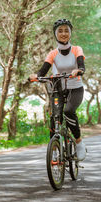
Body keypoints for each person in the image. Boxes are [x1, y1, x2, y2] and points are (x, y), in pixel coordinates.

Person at [29, 19, 86, 161]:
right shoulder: (53, 53)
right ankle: (54, 149)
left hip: (75, 88)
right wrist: (36, 76)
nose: (63, 33)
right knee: (55, 116)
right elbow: (43, 70)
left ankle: (78, 142)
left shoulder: (76, 49)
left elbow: (81, 64)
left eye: (66, 30)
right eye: (60, 31)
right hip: (58, 89)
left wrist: (78, 70)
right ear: (55, 34)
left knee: (68, 112)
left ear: (70, 33)